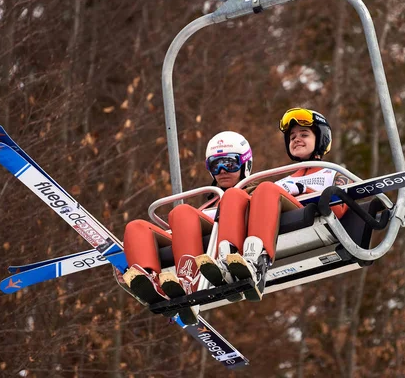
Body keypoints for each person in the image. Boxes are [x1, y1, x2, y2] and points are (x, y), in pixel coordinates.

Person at [197, 108, 351, 302]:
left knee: (266, 189)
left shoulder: (333, 174)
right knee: (239, 193)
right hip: (278, 225)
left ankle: (258, 261)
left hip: (314, 221)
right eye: (292, 136)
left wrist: (303, 189)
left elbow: (338, 208)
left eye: (304, 134)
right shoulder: (282, 183)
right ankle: (230, 261)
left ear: (321, 140)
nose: (296, 139)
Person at [121, 131, 253, 324]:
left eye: (230, 163)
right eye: (216, 165)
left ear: (245, 163)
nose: (223, 170)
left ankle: (189, 278)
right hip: (199, 240)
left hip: (230, 239)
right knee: (137, 226)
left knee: (182, 211)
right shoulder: (207, 205)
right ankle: (147, 279)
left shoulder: (254, 191)